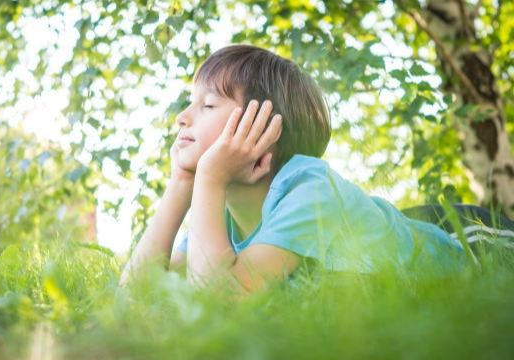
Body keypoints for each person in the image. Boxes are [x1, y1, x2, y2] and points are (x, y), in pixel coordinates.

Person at [118, 44, 514, 297]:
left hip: (463, 238)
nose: (181, 118)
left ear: (262, 131)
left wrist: (206, 176)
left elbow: (220, 299)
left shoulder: (308, 187)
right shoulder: (218, 213)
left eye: (207, 105)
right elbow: (135, 296)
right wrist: (181, 183)